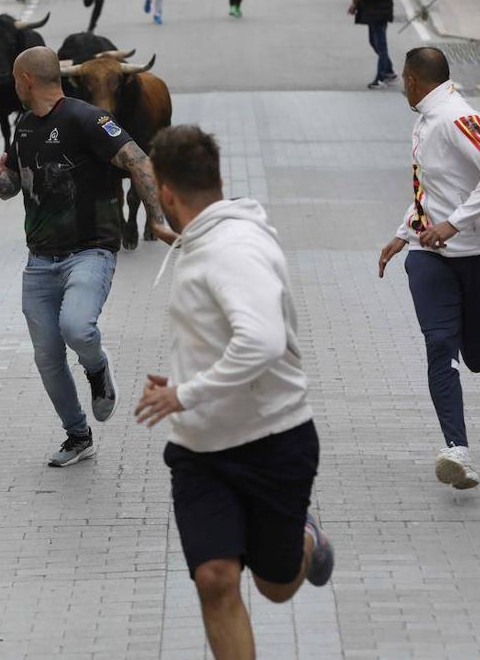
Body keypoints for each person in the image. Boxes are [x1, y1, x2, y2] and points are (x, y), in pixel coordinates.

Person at [135, 124, 334, 660]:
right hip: (201, 452)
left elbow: (263, 341)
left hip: (273, 441)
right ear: (218, 179)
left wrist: (185, 394)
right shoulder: (208, 240)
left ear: (167, 194)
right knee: (215, 578)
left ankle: (306, 540)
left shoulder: (232, 248)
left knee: (275, 584)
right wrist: (183, 386)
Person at [0, 46, 174, 467]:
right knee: (47, 357)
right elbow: (14, 188)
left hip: (90, 251)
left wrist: (156, 219)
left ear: (27, 80)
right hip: (40, 259)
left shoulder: (89, 119)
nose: (14, 87)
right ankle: (77, 435)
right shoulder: (25, 127)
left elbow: (139, 161)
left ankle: (98, 369)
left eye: (15, 80)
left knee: (77, 327)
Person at [378, 46, 480, 491]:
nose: (401, 85)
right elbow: (429, 190)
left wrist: (455, 224)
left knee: (475, 356)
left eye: (403, 78)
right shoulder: (425, 121)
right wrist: (404, 233)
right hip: (430, 255)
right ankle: (457, 450)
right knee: (439, 344)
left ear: (414, 80)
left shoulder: (459, 117)